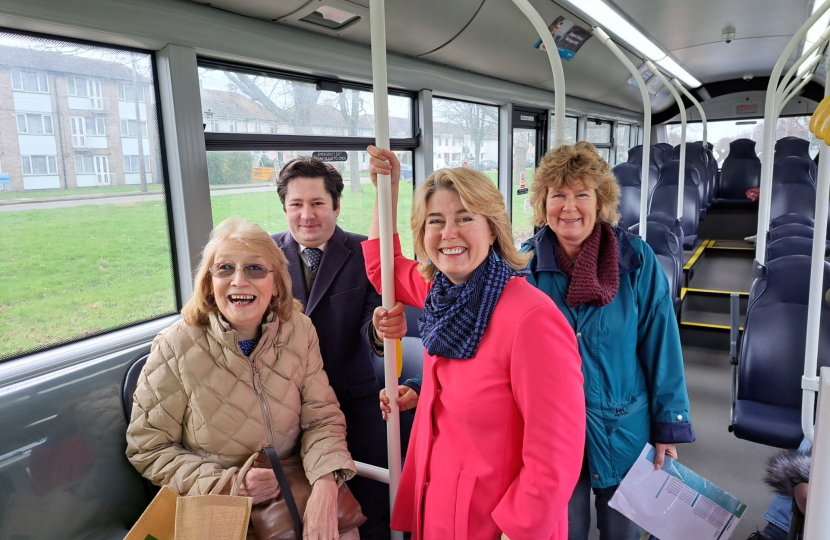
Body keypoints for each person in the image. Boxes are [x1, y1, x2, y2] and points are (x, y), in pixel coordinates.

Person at [366, 146, 586, 540]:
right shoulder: (440, 292)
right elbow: (382, 266)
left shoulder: (532, 319)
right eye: (436, 221)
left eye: (464, 218)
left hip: (495, 520)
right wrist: (388, 188)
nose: (449, 233)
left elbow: (556, 456)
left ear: (493, 228)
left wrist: (516, 530)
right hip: (438, 504)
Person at [127, 217, 359, 540]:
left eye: (255, 269)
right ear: (209, 284)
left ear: (276, 283)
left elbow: (321, 419)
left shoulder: (300, 330)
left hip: (293, 485)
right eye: (224, 269)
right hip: (216, 505)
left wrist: (324, 484)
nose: (239, 281)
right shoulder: (175, 346)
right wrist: (232, 483)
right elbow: (147, 448)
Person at [520, 141, 696, 540]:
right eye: (558, 195)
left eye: (582, 194)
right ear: (542, 203)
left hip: (624, 426)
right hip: (551, 435)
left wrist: (669, 426)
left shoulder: (636, 260)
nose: (569, 207)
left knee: (624, 535)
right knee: (564, 532)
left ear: (600, 201)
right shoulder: (524, 269)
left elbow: (661, 345)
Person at [270, 156, 407, 540]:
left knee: (367, 512)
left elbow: (371, 328)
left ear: (336, 206)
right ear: (285, 208)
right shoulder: (263, 257)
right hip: (284, 407)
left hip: (351, 402)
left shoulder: (365, 253)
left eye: (317, 204)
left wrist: (380, 331)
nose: (306, 216)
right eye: (296, 205)